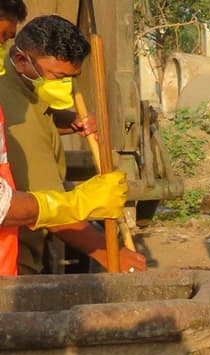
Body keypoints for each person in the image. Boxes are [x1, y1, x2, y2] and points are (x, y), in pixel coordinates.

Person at [0, 15, 143, 274]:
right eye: (57, 76)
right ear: (22, 60)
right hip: (15, 264)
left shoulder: (20, 91)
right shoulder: (13, 108)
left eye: (70, 78)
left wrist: (72, 121)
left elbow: (39, 116)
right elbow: (48, 212)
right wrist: (109, 253)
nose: (64, 84)